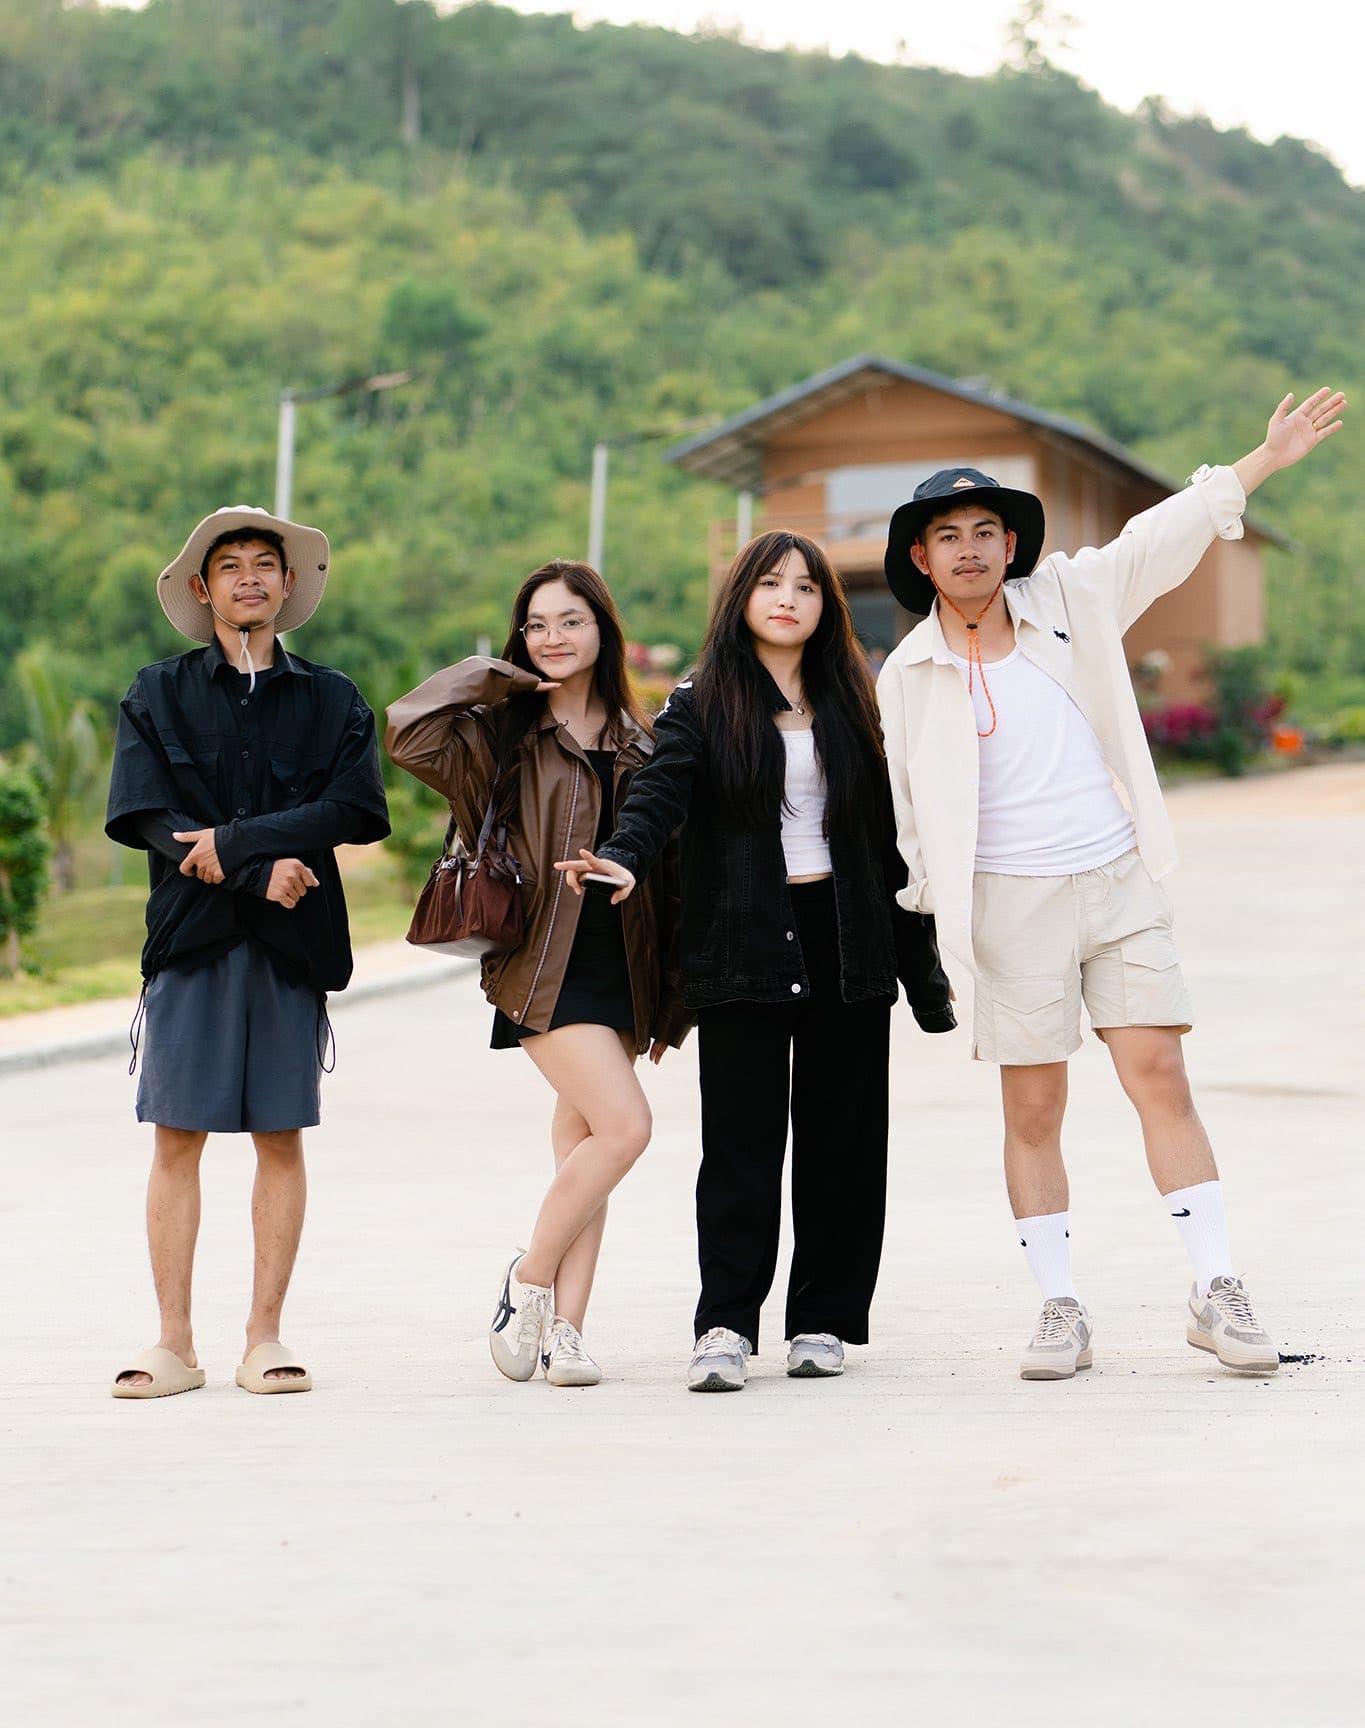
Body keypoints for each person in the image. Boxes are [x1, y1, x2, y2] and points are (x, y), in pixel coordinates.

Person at [875, 389, 1347, 1382]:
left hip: (1114, 876)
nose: (968, 549)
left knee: (1160, 1075)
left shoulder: (1068, 601)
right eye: (946, 535)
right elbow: (907, 816)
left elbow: (1161, 534)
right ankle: (1058, 1305)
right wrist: (935, 933)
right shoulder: (908, 672)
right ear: (920, 558)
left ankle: (1214, 1285)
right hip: (1007, 904)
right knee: (1034, 1107)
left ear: (1012, 544)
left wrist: (1262, 460)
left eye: (985, 531)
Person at [559, 532, 955, 1393]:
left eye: (806, 587)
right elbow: (661, 790)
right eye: (770, 583)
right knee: (739, 1141)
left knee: (842, 1140)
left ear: (826, 607)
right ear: (741, 597)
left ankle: (821, 1319)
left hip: (846, 934)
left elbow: (899, 827)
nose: (788, 598)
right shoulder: (701, 701)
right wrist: (624, 852)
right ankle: (724, 1326)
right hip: (742, 935)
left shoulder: (856, 698)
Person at [105, 506, 390, 1400]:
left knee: (279, 1135)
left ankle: (264, 1337)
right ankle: (174, 1343)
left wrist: (235, 843)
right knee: (176, 1136)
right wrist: (253, 871)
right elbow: (147, 817)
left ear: (289, 584)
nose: (249, 578)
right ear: (204, 588)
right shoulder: (156, 692)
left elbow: (353, 809)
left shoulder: (334, 698)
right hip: (190, 940)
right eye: (230, 566)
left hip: (293, 946)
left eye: (265, 564)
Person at [385, 561, 680, 1388]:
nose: (552, 638)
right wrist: (498, 675)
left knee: (585, 1147)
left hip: (620, 961)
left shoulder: (641, 739)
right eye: (536, 625)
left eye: (570, 622)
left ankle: (567, 1335)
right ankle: (529, 1282)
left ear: (602, 631)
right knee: (626, 1129)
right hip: (540, 963)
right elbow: (407, 730)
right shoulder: (501, 735)